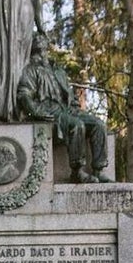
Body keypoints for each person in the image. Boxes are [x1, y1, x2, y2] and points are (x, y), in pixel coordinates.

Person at [17, 34, 111, 184]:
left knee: (98, 124)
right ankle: (77, 171)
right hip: (50, 110)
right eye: (37, 47)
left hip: (68, 109)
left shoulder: (58, 70)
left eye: (43, 47)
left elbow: (70, 94)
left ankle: (98, 170)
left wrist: (75, 105)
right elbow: (24, 94)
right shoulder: (30, 70)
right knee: (76, 125)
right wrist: (36, 111)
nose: (41, 52)